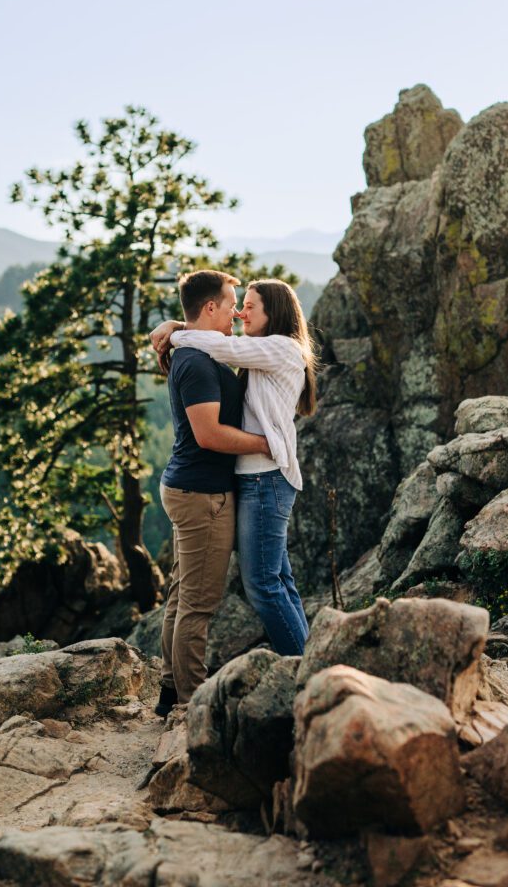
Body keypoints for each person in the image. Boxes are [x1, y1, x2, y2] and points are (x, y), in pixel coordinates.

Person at [152, 278, 317, 658]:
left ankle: (305, 671)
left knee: (262, 584)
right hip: (256, 477)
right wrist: (178, 327)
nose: (241, 312)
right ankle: (310, 662)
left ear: (273, 313)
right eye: (239, 304)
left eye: (250, 306)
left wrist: (174, 332)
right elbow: (218, 342)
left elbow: (220, 346)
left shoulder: (281, 348)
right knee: (278, 579)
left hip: (266, 478)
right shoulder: (263, 349)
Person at [155, 270, 273, 718]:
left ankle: (170, 693)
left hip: (190, 487)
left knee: (181, 596)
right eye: (230, 305)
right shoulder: (198, 363)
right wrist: (266, 444)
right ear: (209, 308)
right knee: (198, 606)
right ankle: (190, 706)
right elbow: (208, 434)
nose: (237, 312)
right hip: (202, 494)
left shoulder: (195, 350)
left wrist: (175, 326)